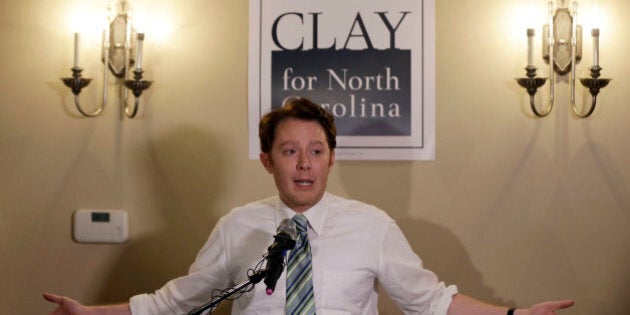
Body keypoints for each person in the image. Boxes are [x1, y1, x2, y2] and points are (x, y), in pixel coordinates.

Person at [45, 98, 574, 315]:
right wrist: (92, 314)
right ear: (267, 161)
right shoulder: (237, 226)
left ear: (330, 159)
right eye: (290, 151)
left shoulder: (372, 226)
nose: (304, 164)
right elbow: (173, 303)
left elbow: (432, 301)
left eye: (315, 152)